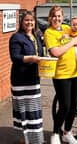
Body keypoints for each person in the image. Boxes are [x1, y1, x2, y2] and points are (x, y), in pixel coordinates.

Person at [43, 5, 77, 144]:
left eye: (59, 16)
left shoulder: (67, 28)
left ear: (62, 17)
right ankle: (55, 133)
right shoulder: (49, 32)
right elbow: (56, 52)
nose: (57, 18)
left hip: (76, 72)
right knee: (64, 105)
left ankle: (67, 132)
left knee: (73, 106)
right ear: (50, 18)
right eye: (54, 16)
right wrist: (72, 42)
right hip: (61, 74)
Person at [9, 11, 45, 144]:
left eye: (32, 20)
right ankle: (23, 140)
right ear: (21, 22)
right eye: (26, 20)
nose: (29, 22)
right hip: (20, 80)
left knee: (34, 111)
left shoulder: (36, 36)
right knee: (22, 112)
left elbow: (41, 52)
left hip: (34, 79)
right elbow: (15, 57)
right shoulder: (16, 37)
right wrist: (32, 58)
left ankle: (35, 140)